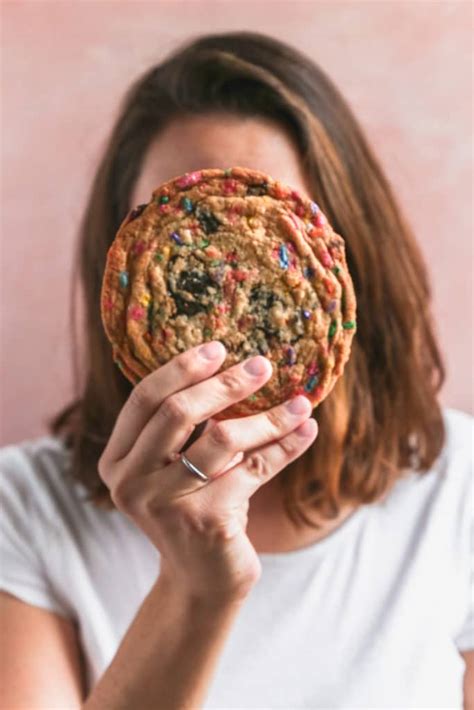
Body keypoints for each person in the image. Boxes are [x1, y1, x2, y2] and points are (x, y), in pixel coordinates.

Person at [1, 30, 472, 709]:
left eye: (269, 213)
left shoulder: (458, 495)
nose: (229, 289)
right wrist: (197, 588)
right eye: (185, 229)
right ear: (122, 267)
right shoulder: (24, 510)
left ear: (343, 258)